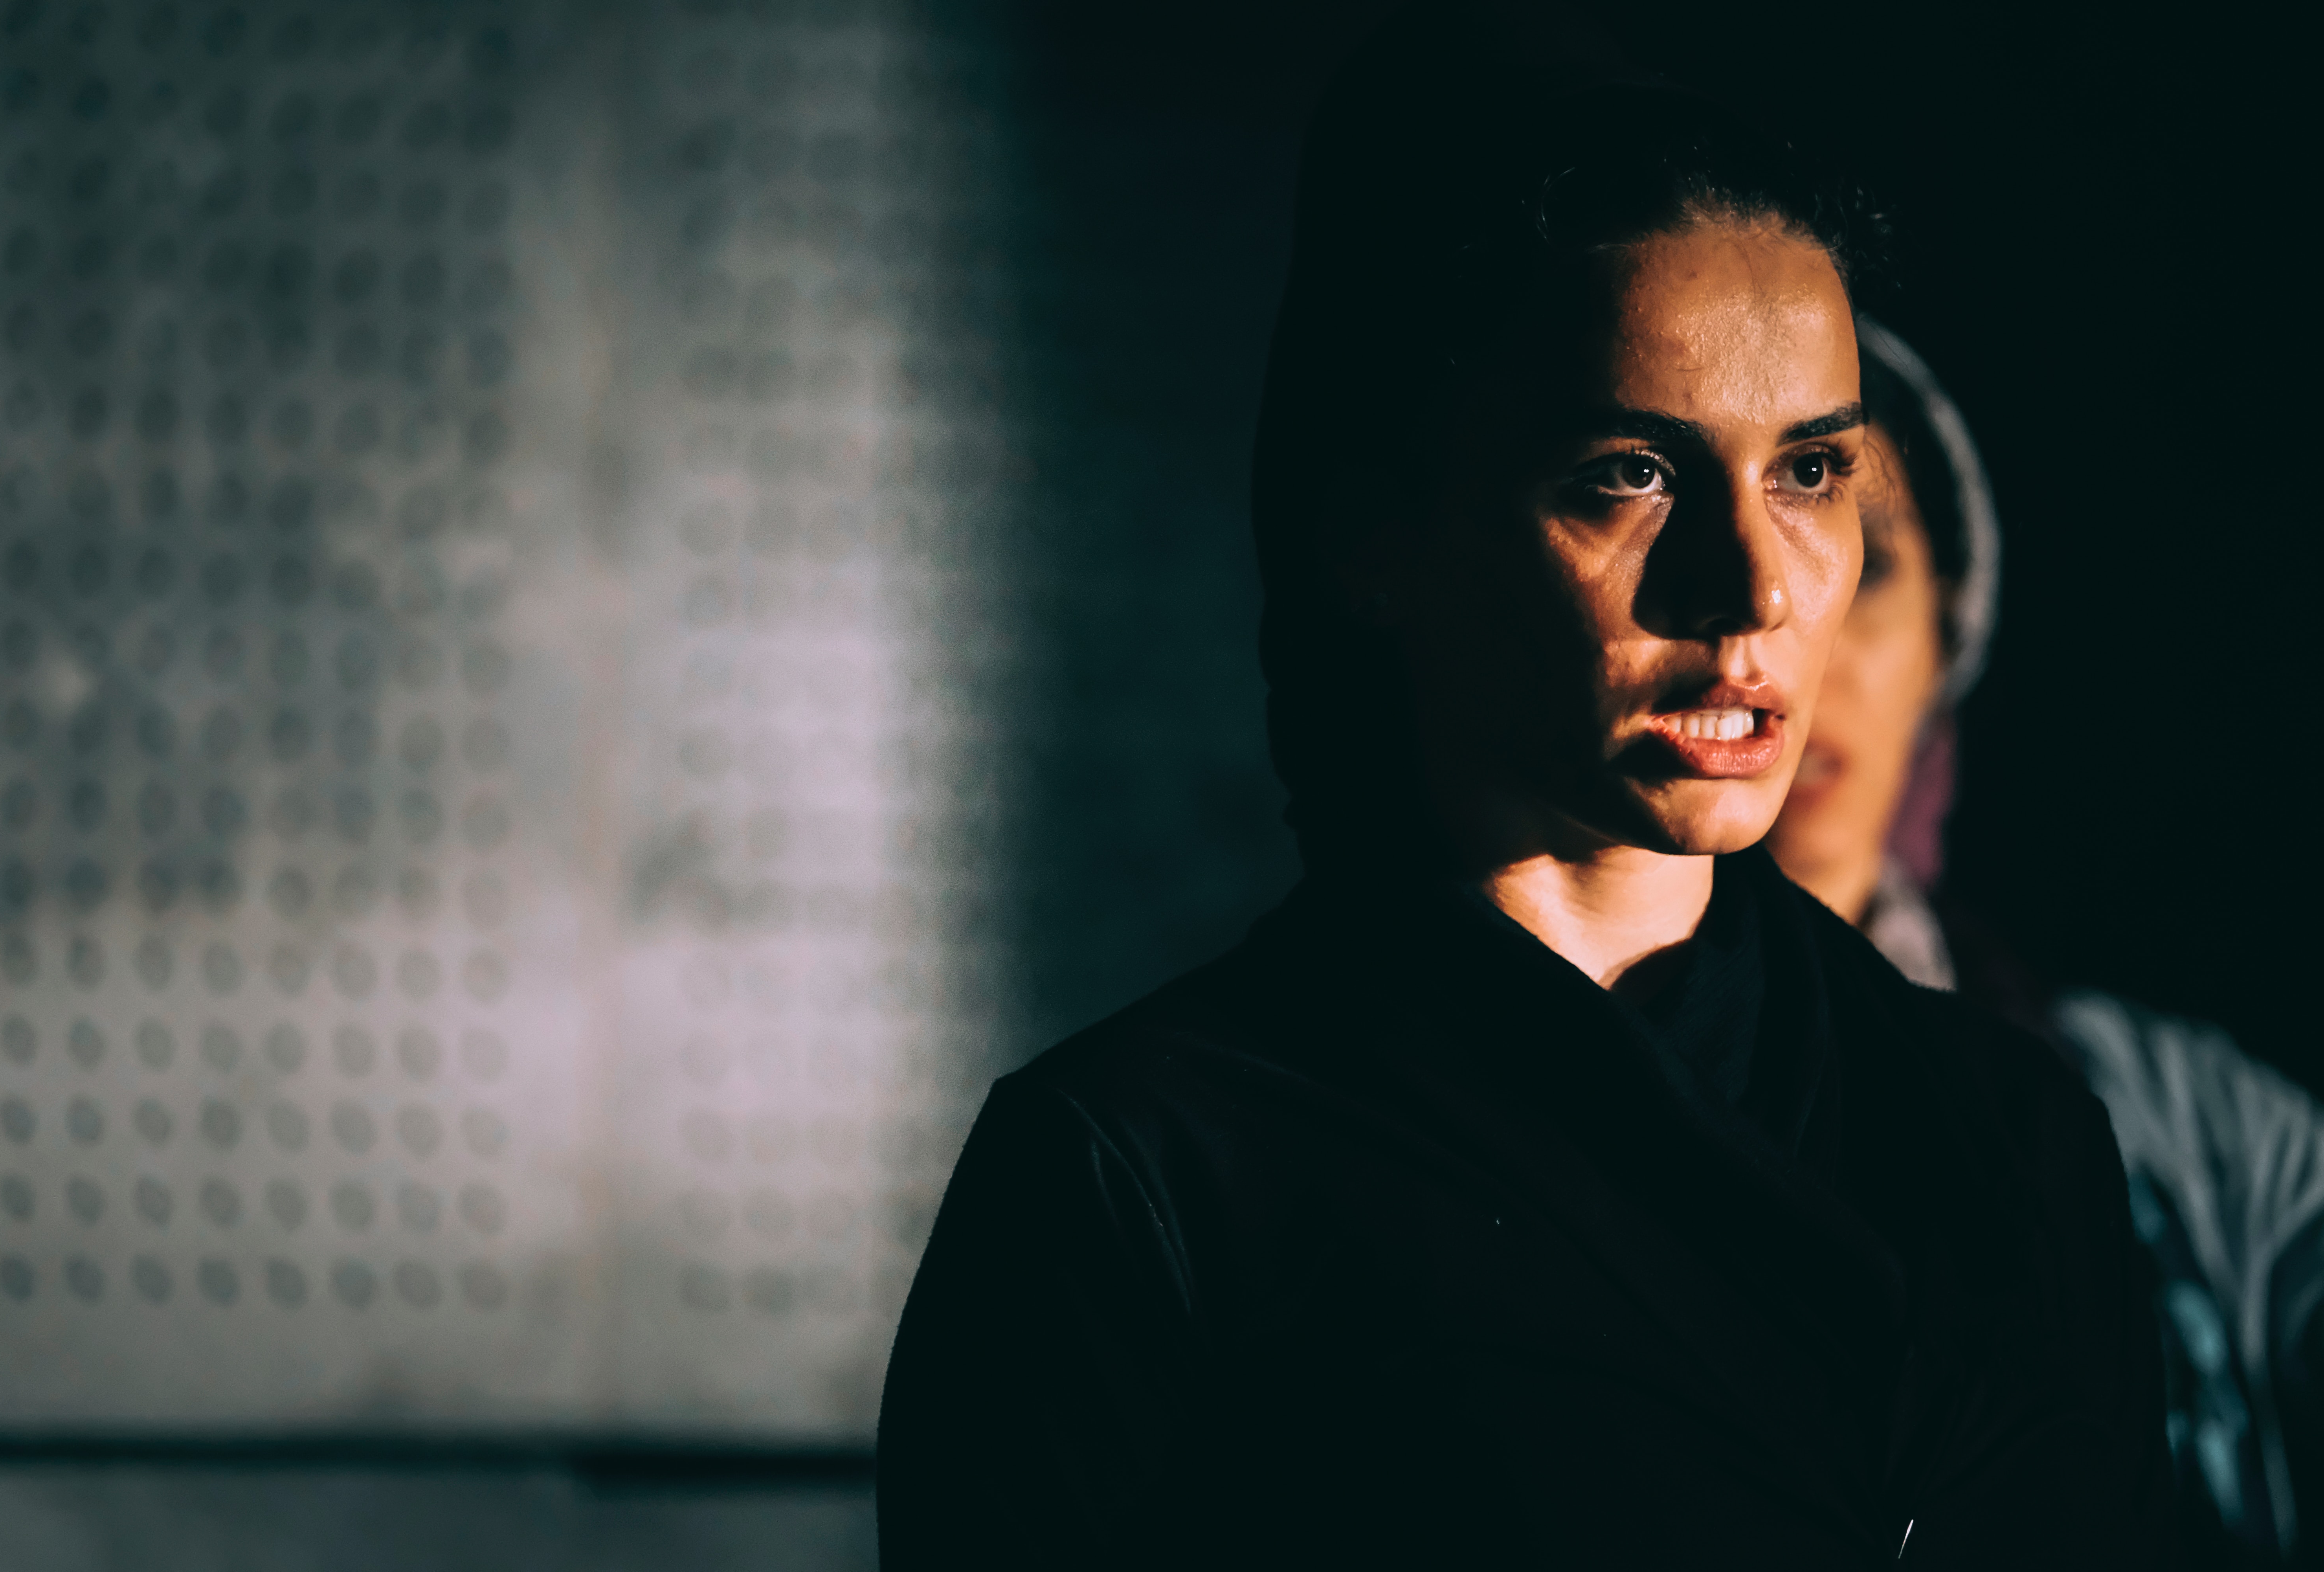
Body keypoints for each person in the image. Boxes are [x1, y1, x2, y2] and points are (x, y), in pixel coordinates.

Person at [879, 7, 2173, 1565]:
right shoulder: (1143, 1178)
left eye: (1812, 471)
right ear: (1373, 528)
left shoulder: (2014, 1133)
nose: (1754, 587)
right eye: (1631, 473)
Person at [1768, 319, 2324, 1566]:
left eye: (1869, 563)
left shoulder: (2181, 1126)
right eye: (1738, 551)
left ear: (1947, 635)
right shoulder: (1507, 1123)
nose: (1792, 633)